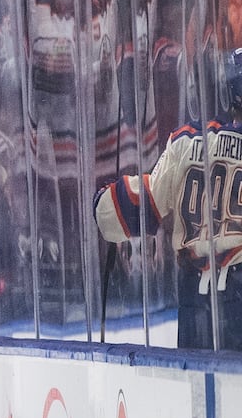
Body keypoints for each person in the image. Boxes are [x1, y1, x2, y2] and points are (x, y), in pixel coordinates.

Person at [92, 47, 242, 352]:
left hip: (194, 307)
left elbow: (130, 209)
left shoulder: (187, 144)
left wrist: (102, 201)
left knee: (194, 394)